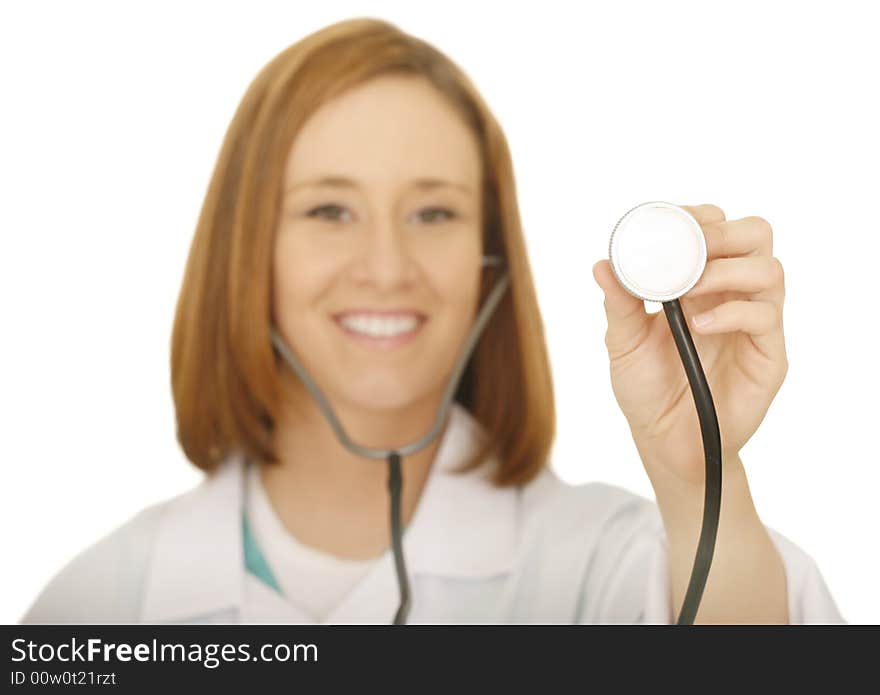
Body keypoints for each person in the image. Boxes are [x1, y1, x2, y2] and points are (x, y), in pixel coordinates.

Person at [22, 17, 843, 625]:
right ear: (248, 253)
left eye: (434, 214)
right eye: (330, 210)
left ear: (491, 259)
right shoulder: (99, 604)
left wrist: (702, 479)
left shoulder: (613, 567)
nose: (385, 267)